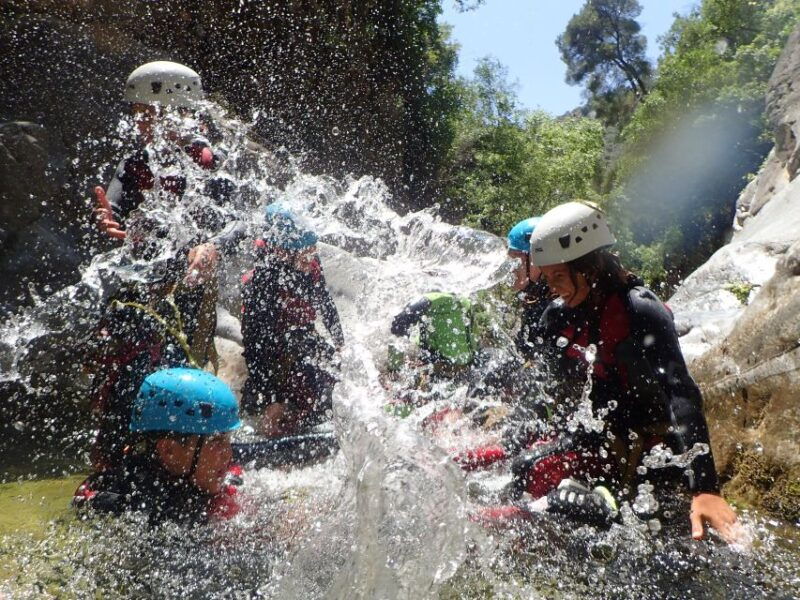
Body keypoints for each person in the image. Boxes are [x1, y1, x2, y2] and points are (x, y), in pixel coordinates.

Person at [485, 201, 738, 541]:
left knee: (569, 501)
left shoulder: (640, 310)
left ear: (589, 267)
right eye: (547, 278)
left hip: (648, 442)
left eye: (560, 276)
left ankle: (605, 507)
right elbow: (539, 385)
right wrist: (514, 438)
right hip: (597, 437)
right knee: (526, 468)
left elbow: (680, 392)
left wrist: (705, 486)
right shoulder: (558, 316)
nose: (553, 288)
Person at [87, 61, 243, 470]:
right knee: (124, 370)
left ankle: (193, 463)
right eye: (140, 115)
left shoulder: (207, 159)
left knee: (180, 368)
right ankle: (113, 463)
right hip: (140, 285)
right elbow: (116, 208)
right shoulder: (134, 162)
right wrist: (109, 221)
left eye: (154, 114)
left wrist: (211, 245)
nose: (146, 124)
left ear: (184, 114)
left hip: (187, 287)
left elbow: (237, 222)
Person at [73, 368, 243, 525]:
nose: (227, 454)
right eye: (215, 441)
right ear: (169, 451)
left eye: (227, 439)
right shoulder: (130, 509)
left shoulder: (193, 471)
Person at [240, 202, 344, 438]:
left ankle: (314, 411)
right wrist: (271, 399)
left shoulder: (310, 260)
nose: (311, 257)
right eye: (305, 252)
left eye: (312, 249)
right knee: (298, 373)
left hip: (301, 334)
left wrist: (340, 344)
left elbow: (326, 304)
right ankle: (267, 407)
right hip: (272, 345)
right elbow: (256, 345)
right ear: (282, 251)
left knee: (332, 371)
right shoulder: (262, 281)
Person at [506, 217, 552, 359]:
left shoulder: (556, 309)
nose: (511, 269)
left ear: (537, 259)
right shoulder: (538, 298)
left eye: (515, 259)